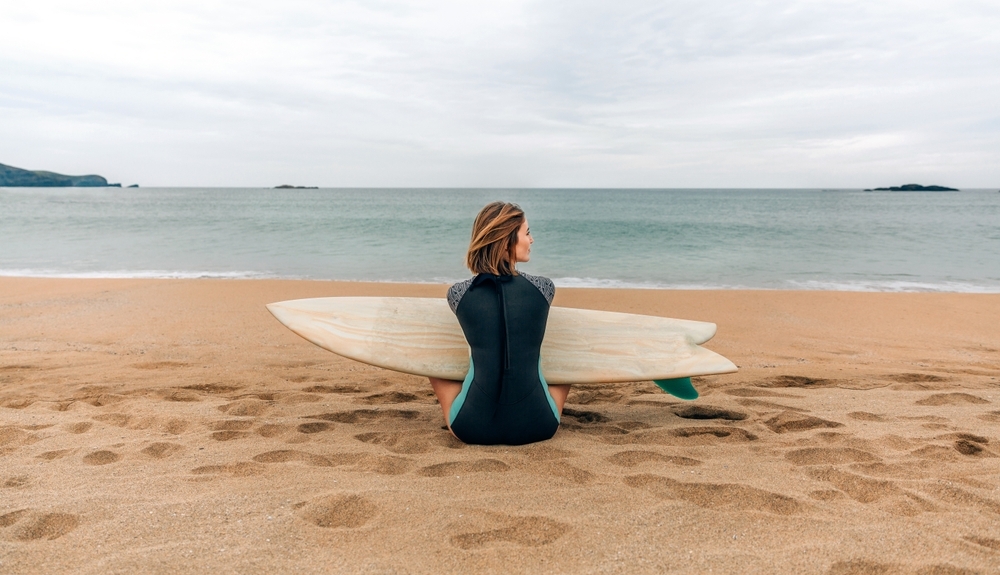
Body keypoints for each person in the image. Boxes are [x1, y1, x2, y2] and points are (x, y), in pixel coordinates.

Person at [428, 202, 570, 445]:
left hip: (472, 428)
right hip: (540, 425)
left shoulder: (458, 294)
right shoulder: (544, 289)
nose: (532, 240)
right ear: (506, 242)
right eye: (526, 233)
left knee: (434, 368)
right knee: (563, 370)